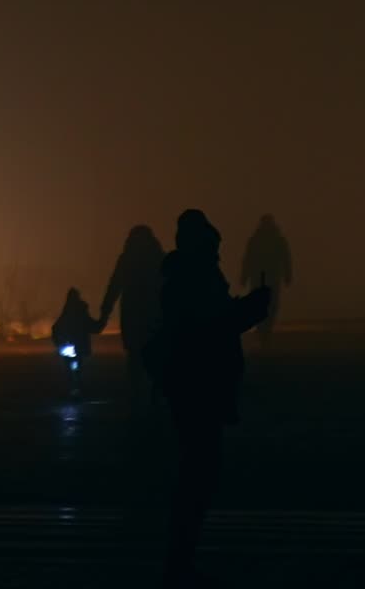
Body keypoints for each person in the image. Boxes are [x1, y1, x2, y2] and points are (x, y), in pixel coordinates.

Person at [146, 209, 270, 586]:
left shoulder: (183, 278)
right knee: (196, 477)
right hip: (199, 387)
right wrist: (252, 308)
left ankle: (181, 560)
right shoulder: (195, 280)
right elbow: (214, 327)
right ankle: (180, 563)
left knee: (195, 474)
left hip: (191, 386)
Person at [98, 224, 165, 406]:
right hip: (155, 316)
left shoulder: (127, 259)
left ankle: (136, 396)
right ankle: (155, 396)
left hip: (132, 316)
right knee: (156, 357)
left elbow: (113, 288)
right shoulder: (159, 258)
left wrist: (104, 315)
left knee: (135, 358)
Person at [240, 214, 292, 343]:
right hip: (271, 275)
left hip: (259, 275)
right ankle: (265, 328)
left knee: (262, 302)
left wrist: (244, 276)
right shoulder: (277, 239)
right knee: (271, 302)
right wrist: (287, 275)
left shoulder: (256, 239)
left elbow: (248, 259)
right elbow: (285, 258)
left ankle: (263, 327)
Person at [51, 287, 102, 397]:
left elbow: (56, 328)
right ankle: (78, 387)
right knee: (78, 368)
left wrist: (58, 342)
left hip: (68, 345)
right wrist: (100, 324)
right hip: (78, 345)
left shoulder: (66, 312)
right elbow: (90, 325)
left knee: (70, 368)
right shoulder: (81, 311)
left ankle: (73, 387)